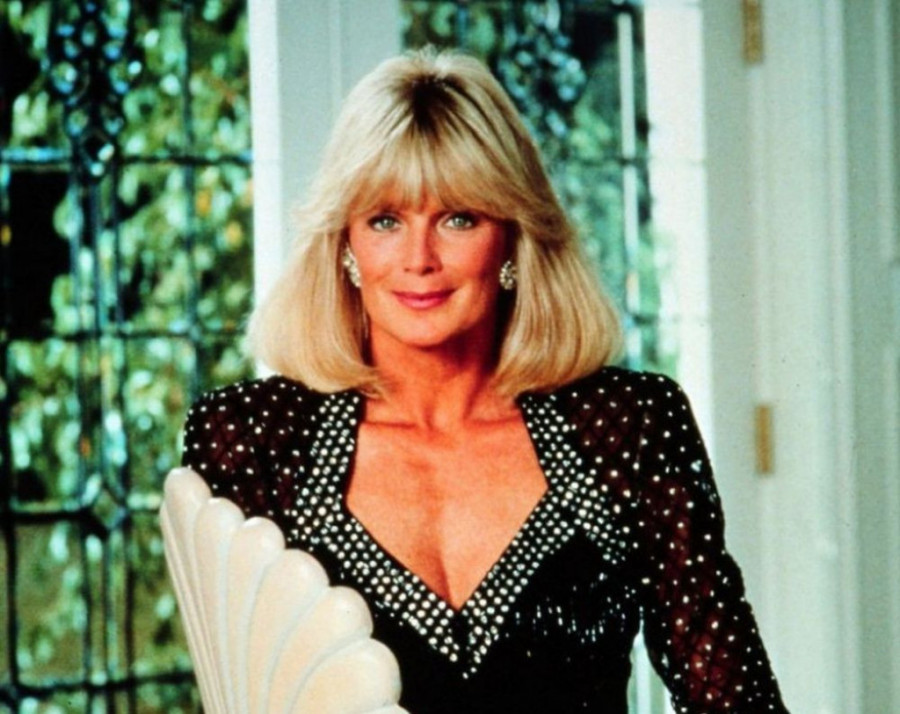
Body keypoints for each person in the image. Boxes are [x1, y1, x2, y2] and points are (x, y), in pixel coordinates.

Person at [180, 49, 789, 713]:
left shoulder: (627, 426)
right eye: (385, 220)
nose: (419, 259)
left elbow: (738, 703)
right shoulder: (257, 441)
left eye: (458, 218)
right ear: (346, 245)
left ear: (512, 238)